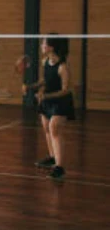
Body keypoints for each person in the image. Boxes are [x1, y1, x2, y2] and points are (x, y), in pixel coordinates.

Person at [25, 34, 75, 181]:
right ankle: (53, 158)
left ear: (51, 47)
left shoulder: (62, 66)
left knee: (55, 129)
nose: (41, 46)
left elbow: (66, 89)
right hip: (46, 100)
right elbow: (44, 80)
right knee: (47, 129)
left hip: (61, 101)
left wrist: (45, 96)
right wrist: (31, 87)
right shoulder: (45, 61)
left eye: (43, 44)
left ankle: (59, 168)